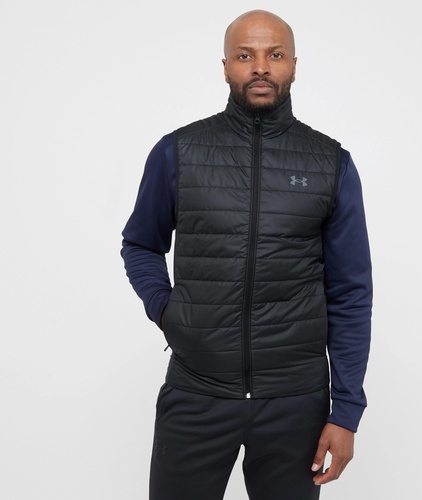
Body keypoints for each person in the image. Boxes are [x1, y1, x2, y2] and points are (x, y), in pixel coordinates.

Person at [121, 9, 372, 500]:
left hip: (295, 402)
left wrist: (345, 411)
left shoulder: (331, 164)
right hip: (196, 392)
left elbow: (350, 293)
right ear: (225, 67)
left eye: (274, 55)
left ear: (294, 66)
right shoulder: (177, 152)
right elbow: (141, 243)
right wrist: (167, 311)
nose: (260, 67)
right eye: (244, 55)